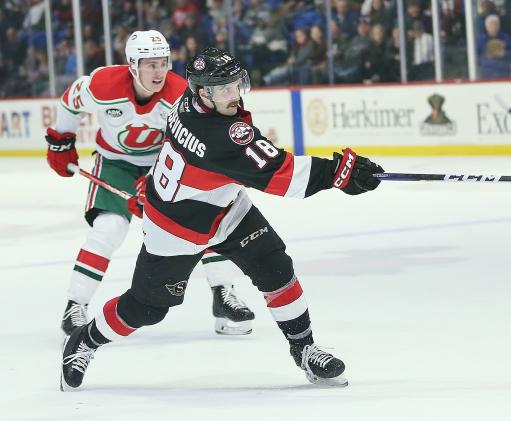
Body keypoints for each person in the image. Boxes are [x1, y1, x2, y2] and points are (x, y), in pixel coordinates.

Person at [60, 47, 384, 391]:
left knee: (274, 266)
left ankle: (304, 349)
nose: (235, 94)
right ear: (204, 93)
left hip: (224, 206)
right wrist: (340, 171)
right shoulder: (220, 136)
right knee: (147, 308)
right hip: (177, 226)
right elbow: (282, 176)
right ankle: (85, 340)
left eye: (235, 84)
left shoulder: (189, 100)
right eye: (225, 88)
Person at [45, 30, 255, 337]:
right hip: (115, 164)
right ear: (133, 65)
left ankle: (223, 293)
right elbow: (70, 101)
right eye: (150, 65)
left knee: (204, 220)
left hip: (165, 164)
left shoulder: (181, 95)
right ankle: (75, 305)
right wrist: (61, 140)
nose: (159, 72)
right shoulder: (104, 84)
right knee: (110, 228)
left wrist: (158, 179)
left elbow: (195, 140)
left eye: (163, 63)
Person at [476, 14, 511, 80]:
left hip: (503, 75)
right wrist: (486, 56)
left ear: (499, 25)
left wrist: (504, 54)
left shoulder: (506, 38)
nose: (494, 27)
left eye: (496, 24)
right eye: (491, 24)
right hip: (487, 76)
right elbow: (476, 57)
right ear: (486, 26)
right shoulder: (481, 40)